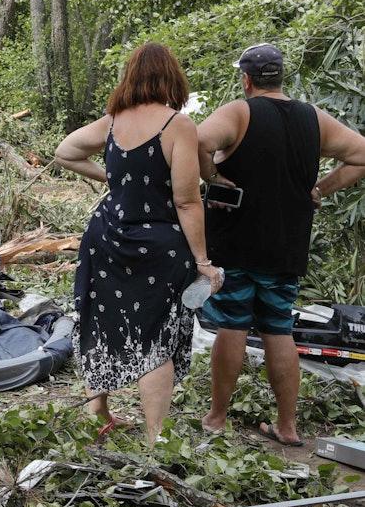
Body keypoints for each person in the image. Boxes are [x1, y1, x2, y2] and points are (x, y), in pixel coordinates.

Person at [197, 43, 365, 446]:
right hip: (286, 243)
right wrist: (320, 188)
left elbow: (197, 142)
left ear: (246, 79)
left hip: (236, 241)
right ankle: (287, 427)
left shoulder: (239, 111)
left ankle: (217, 418)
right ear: (280, 76)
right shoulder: (313, 118)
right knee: (279, 328)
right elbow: (361, 154)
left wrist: (214, 178)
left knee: (232, 325)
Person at [54, 42, 222, 444]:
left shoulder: (112, 120)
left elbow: (65, 152)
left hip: (106, 236)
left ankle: (99, 412)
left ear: (131, 77)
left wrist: (113, 180)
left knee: (100, 318)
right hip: (159, 245)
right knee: (156, 335)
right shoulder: (177, 124)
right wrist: (202, 260)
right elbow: (186, 199)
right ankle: (154, 436)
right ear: (172, 78)